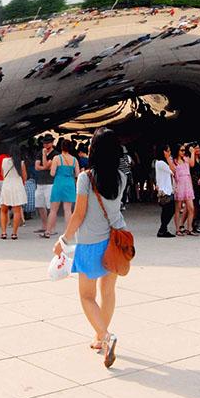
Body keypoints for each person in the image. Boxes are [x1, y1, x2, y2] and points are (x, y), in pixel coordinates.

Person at [53, 127, 126, 368]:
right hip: (116, 243)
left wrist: (64, 239)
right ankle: (99, 337)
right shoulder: (121, 177)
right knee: (108, 292)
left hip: (90, 243)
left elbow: (79, 214)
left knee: (86, 296)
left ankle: (105, 336)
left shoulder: (86, 178)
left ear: (93, 150)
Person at [45, 139, 80, 238]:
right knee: (68, 210)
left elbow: (52, 173)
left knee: (53, 210)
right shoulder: (74, 159)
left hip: (58, 183)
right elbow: (77, 174)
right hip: (69, 183)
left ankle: (48, 231)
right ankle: (68, 232)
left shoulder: (57, 158)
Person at [0, 144, 28, 239]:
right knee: (17, 211)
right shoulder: (21, 163)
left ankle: (3, 232)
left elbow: (3, 175)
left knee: (3, 210)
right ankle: (14, 233)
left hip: (7, 185)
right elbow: (25, 177)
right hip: (17, 186)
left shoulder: (4, 161)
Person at [170, 143, 198, 236]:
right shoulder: (173, 161)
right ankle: (178, 229)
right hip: (179, 185)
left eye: (183, 150)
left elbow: (192, 164)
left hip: (187, 184)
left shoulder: (185, 159)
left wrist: (192, 152)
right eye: (181, 150)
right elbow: (172, 171)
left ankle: (189, 228)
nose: (183, 152)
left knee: (191, 208)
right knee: (178, 208)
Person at [33, 135, 59, 234]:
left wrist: (44, 156)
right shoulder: (39, 152)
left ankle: (52, 227)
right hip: (40, 182)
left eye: (48, 143)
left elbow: (46, 165)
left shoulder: (55, 154)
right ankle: (44, 225)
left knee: (51, 206)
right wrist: (44, 166)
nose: (45, 145)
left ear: (52, 143)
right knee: (39, 204)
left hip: (50, 182)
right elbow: (37, 166)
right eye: (44, 143)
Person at [155, 145, 176, 238]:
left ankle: (163, 229)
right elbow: (173, 170)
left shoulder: (161, 163)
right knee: (168, 210)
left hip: (168, 189)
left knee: (168, 210)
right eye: (168, 151)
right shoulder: (160, 163)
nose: (170, 152)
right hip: (165, 190)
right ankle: (162, 229)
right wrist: (168, 158)